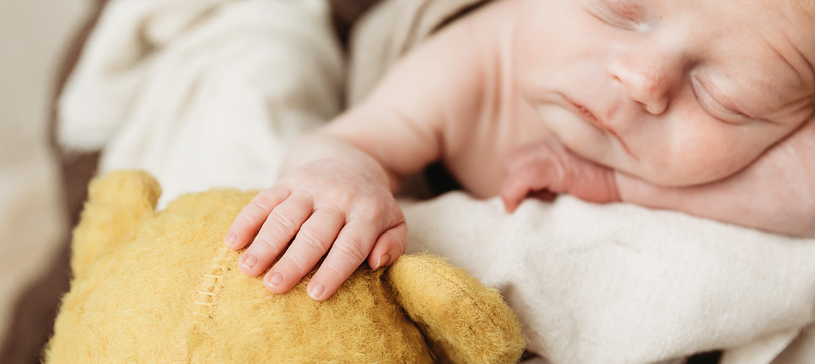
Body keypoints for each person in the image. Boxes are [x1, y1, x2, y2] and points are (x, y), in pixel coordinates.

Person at [224, 0, 815, 301]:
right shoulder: (469, 68)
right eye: (614, 10)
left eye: (725, 98)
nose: (641, 79)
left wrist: (621, 185)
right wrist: (341, 173)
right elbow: (350, 141)